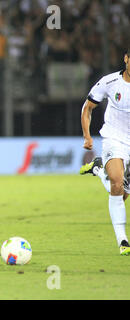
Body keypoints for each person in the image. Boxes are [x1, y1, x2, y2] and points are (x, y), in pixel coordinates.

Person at [80, 48, 130, 255]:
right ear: (126, 59)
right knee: (117, 183)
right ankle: (123, 241)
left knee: (119, 192)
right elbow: (87, 108)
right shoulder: (110, 82)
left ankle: (99, 169)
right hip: (114, 138)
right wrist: (87, 136)